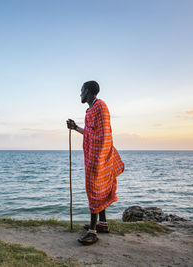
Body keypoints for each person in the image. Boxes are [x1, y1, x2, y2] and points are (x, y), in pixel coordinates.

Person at [67, 80, 124, 245]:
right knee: (98, 189)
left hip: (100, 156)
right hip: (94, 155)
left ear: (89, 92)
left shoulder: (100, 106)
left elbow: (104, 135)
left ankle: (92, 232)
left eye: (82, 91)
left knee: (95, 189)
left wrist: (98, 158)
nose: (80, 94)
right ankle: (102, 224)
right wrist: (75, 127)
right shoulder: (90, 110)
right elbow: (91, 133)